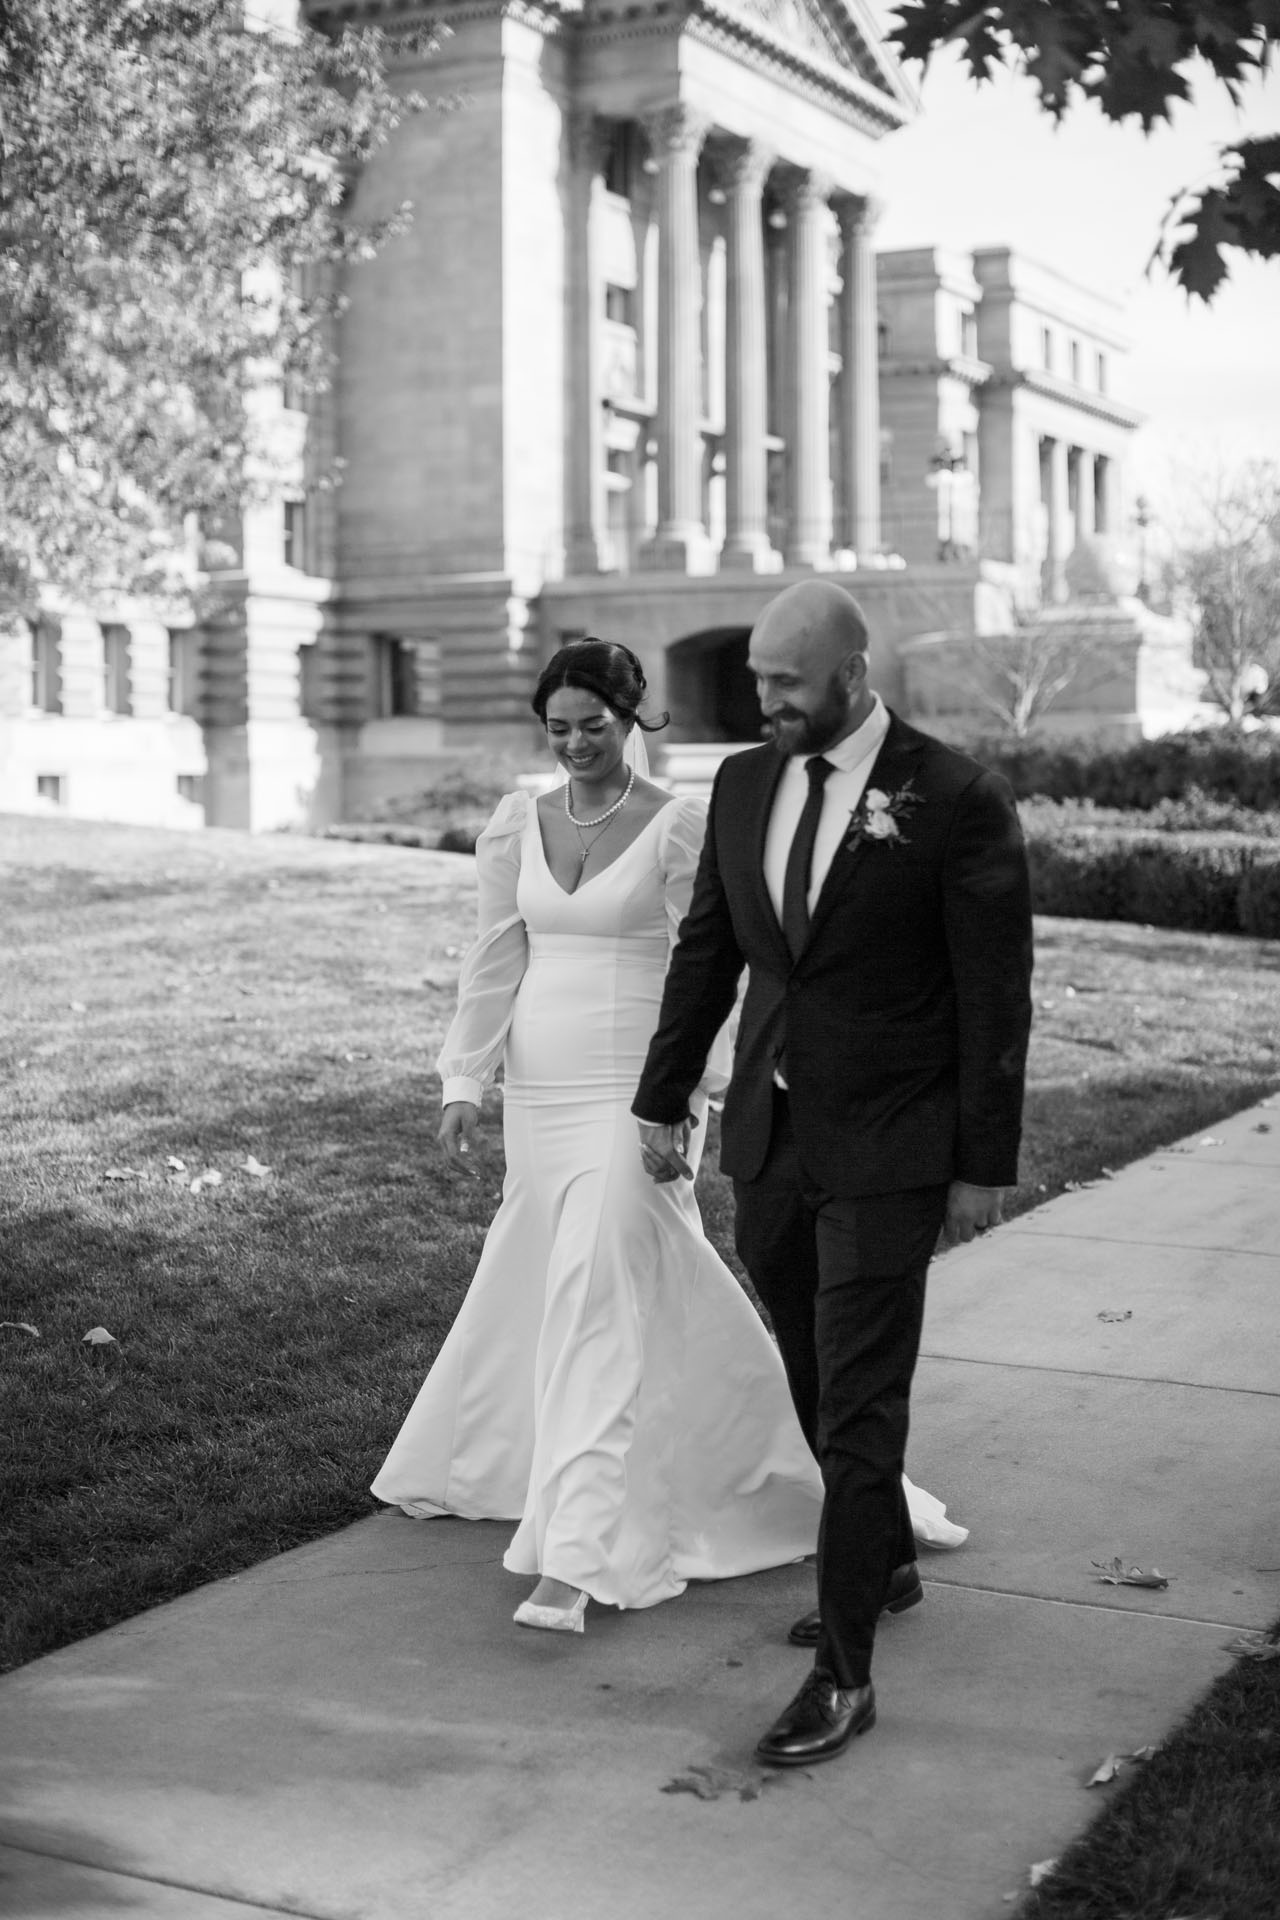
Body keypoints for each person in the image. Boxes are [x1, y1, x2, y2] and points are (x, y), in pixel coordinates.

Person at [633, 581, 1033, 1764]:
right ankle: (886, 1558)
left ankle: (843, 1673)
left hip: (893, 1145)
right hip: (772, 1132)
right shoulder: (744, 782)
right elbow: (710, 950)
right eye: (756, 678)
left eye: (782, 683)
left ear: (851, 676)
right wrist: (660, 1098)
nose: (762, 701)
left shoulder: (953, 797)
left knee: (859, 1397)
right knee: (808, 1370)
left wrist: (979, 1161)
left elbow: (991, 995)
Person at [371, 640, 826, 1630]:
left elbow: (712, 971)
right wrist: (464, 1076)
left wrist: (686, 1097)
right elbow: (495, 957)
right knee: (559, 1276)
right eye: (558, 728)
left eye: (593, 725)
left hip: (637, 1093)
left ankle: (575, 1556)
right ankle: (747, 1465)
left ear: (632, 719)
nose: (575, 744)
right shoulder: (516, 826)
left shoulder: (676, 827)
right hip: (540, 1094)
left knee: (598, 1296)